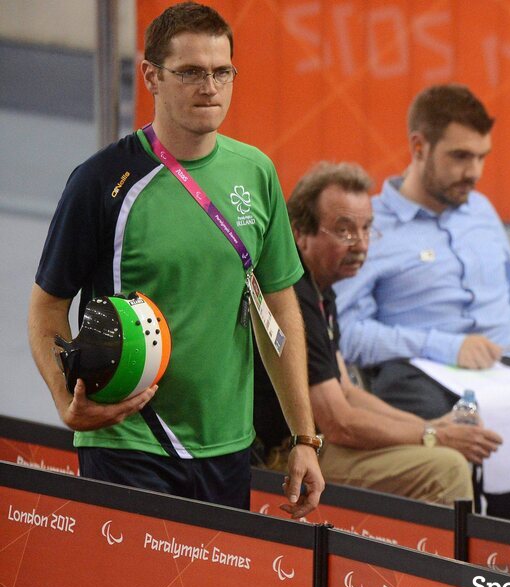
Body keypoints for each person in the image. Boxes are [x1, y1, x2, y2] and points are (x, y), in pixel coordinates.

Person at [27, 1, 322, 517]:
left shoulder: (256, 173)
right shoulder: (101, 181)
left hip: (227, 445)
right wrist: (64, 398)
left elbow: (278, 309)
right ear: (152, 77)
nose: (209, 87)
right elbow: (46, 308)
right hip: (127, 439)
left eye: (221, 71)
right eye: (189, 72)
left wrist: (304, 437)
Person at [334, 83, 510, 524]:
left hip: (508, 368)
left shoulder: (481, 210)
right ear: (419, 147)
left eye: (482, 157)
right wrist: (447, 346)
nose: (475, 172)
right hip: (420, 374)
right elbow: (349, 334)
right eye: (461, 157)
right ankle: (478, 548)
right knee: (466, 435)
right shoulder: (371, 224)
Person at [252, 161, 502, 504]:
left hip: (319, 442)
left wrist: (431, 426)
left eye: (367, 228)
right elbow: (339, 422)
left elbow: (347, 391)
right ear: (300, 233)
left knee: (441, 451)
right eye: (344, 231)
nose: (360, 244)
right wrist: (433, 435)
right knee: (447, 469)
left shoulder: (322, 290)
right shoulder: (294, 296)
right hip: (286, 456)